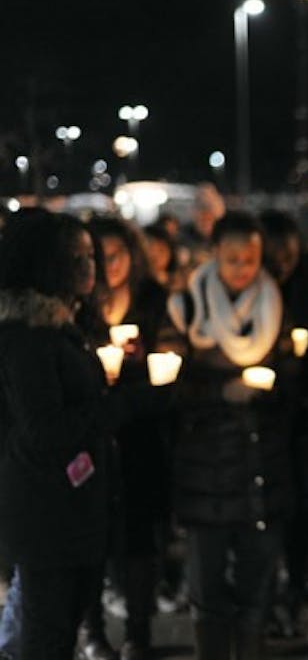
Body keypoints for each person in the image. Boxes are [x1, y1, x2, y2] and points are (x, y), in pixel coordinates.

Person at [0, 212, 166, 659]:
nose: (87, 266)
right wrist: (127, 404)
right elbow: (43, 431)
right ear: (40, 263)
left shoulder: (60, 327)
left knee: (53, 631)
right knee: (43, 638)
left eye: (89, 254)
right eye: (73, 257)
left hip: (72, 512)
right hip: (44, 515)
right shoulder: (28, 338)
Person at [163, 212, 295, 659]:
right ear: (214, 253)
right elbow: (170, 386)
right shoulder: (187, 309)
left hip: (261, 462)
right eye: (233, 257)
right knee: (208, 586)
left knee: (257, 585)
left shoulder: (276, 304)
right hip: (206, 467)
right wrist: (223, 391)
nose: (242, 267)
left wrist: (273, 385)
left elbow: (297, 377)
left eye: (251, 258)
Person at [84, 217, 172, 660]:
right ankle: (94, 632)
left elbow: (173, 360)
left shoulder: (153, 300)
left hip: (140, 434)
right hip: (96, 437)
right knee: (91, 537)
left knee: (139, 538)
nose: (109, 265)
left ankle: (139, 631)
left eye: (117, 255)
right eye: (100, 257)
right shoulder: (79, 305)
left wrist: (147, 364)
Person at [259, 210, 308, 631]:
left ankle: (299, 579)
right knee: (269, 503)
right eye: (273, 252)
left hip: (306, 415)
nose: (281, 260)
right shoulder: (253, 292)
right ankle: (269, 589)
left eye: (288, 251)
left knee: (305, 501)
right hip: (265, 415)